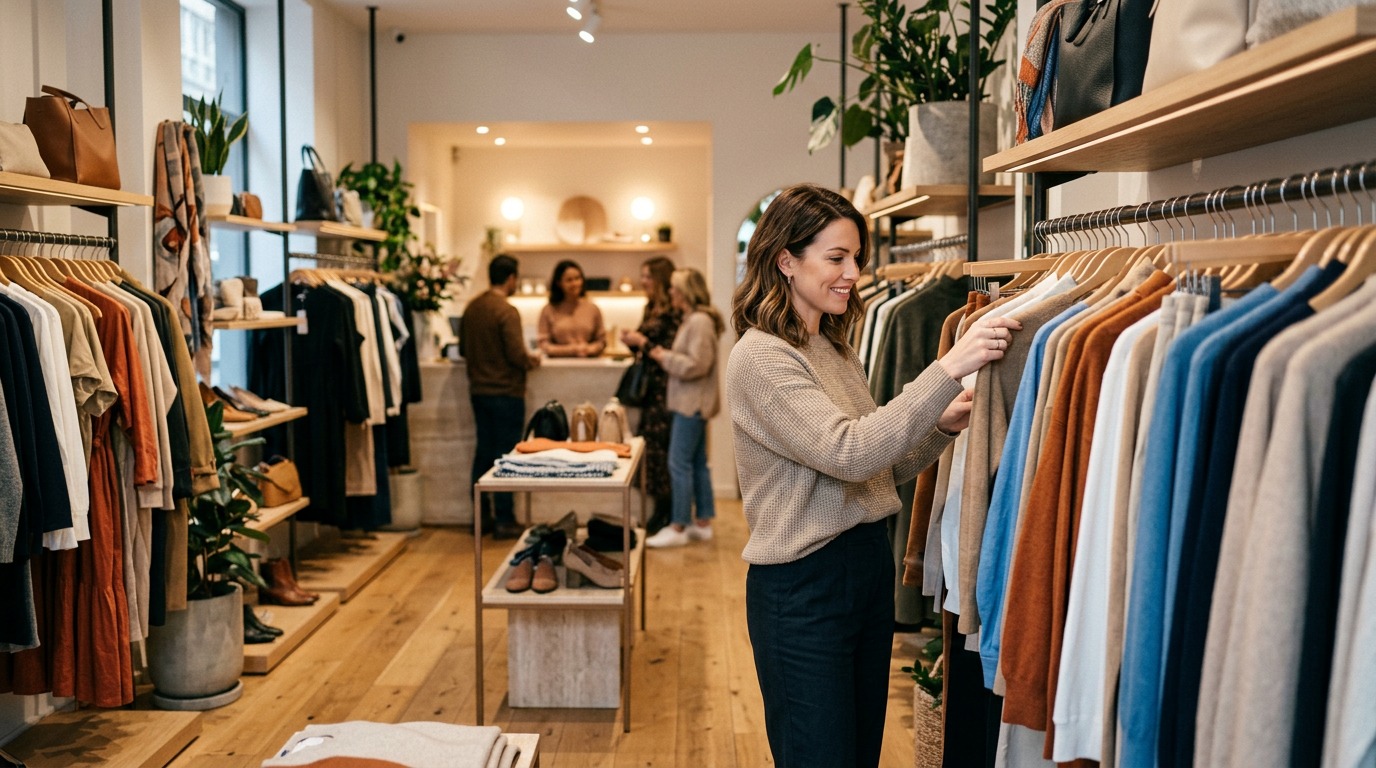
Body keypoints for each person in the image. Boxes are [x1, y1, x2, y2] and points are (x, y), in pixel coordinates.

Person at [726, 183, 1020, 767]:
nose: (852, 273)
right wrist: (946, 368)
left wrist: (941, 425)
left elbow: (876, 474)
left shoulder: (831, 347)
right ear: (786, 259)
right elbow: (850, 453)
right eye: (836, 258)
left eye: (856, 258)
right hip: (802, 583)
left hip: (861, 568)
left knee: (857, 753)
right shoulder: (761, 357)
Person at [460, 253, 541, 540]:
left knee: (483, 452)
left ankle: (481, 518)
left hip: (478, 392)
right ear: (511, 278)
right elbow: (517, 355)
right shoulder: (506, 311)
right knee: (506, 457)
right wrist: (533, 359)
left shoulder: (473, 308)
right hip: (506, 393)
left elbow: (462, 350)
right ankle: (505, 519)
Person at [644, 267, 722, 548]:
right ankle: (702, 522)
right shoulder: (696, 319)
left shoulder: (699, 321)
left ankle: (678, 525)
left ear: (686, 291)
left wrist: (664, 357)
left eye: (675, 288)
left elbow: (698, 364)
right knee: (697, 462)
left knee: (678, 463)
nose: (671, 292)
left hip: (691, 403)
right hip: (693, 402)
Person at [618, 256, 680, 533]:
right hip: (650, 391)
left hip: (665, 389)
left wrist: (640, 340)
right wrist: (632, 341)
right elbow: (645, 349)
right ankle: (659, 510)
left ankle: (666, 512)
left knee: (661, 451)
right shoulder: (650, 308)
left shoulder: (673, 312)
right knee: (651, 450)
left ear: (659, 279)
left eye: (647, 277)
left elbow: (667, 350)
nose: (643, 281)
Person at [538, 259, 607, 357]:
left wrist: (589, 349)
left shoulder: (593, 309)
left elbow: (602, 341)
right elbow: (543, 344)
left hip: (589, 365)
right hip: (558, 367)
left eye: (577, 278)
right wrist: (571, 350)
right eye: (569, 280)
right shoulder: (548, 310)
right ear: (559, 283)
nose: (574, 283)